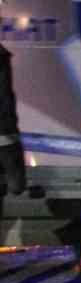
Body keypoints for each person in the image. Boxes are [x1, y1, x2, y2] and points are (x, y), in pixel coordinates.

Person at [0, 44, 25, 196]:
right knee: (16, 186)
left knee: (15, 185)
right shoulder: (2, 57)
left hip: (5, 134)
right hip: (5, 135)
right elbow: (5, 96)